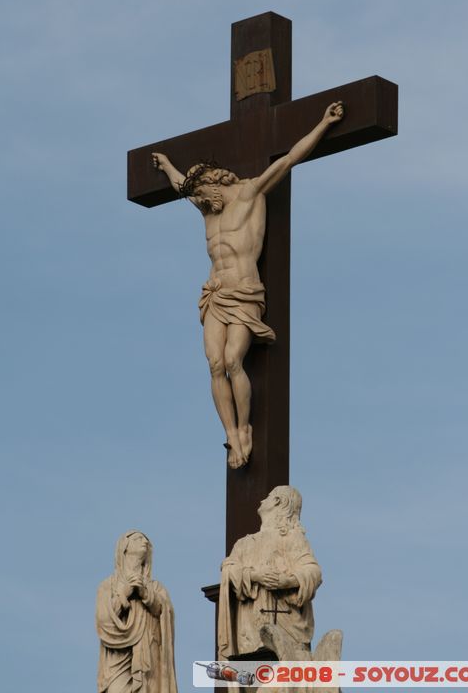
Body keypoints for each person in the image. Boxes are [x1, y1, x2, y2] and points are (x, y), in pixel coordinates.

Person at [152, 102, 344, 469]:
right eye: (198, 198)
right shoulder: (209, 206)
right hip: (215, 293)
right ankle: (230, 433)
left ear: (216, 181)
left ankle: (245, 428)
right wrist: (166, 166)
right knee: (213, 364)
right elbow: (181, 187)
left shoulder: (251, 193)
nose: (200, 203)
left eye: (203, 194)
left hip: (244, 292)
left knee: (232, 360)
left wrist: (324, 123)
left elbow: (289, 159)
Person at [217, 485, 322, 659]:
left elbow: (313, 571)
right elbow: (228, 568)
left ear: (277, 501)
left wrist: (287, 581)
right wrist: (255, 576)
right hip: (250, 626)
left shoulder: (292, 538)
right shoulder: (244, 544)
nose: (261, 500)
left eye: (268, 497)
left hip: (287, 624)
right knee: (252, 678)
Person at [96, 531, 178, 693]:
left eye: (146, 540)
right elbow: (103, 621)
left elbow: (165, 612)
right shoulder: (108, 586)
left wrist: (144, 593)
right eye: (138, 538)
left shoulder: (155, 587)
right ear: (125, 547)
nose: (145, 541)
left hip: (149, 652)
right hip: (118, 658)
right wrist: (124, 594)